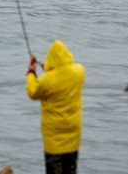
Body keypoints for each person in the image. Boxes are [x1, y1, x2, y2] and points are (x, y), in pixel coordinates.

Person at [26, 40, 86, 174]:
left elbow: (33, 92)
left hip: (54, 140)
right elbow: (61, 74)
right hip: (73, 136)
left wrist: (31, 72)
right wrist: (47, 68)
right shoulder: (79, 72)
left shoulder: (46, 81)